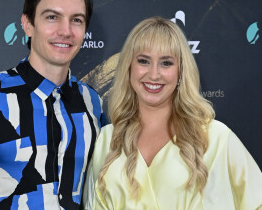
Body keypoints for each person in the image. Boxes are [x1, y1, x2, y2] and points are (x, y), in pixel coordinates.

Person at [83, 16, 262, 210]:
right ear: (129, 68)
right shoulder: (107, 140)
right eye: (143, 61)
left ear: (181, 72)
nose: (153, 74)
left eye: (166, 63)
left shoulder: (216, 138)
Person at [0, 0, 104, 209]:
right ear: (28, 24)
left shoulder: (92, 103)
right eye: (52, 17)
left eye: (76, 20)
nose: (65, 30)